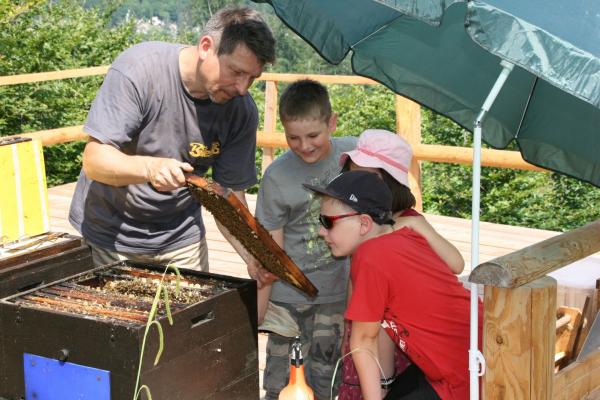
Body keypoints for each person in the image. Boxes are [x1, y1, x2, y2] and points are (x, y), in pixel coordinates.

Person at [68, 7, 275, 270]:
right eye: (236, 72)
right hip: (109, 236)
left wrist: (252, 256)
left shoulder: (240, 109)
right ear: (206, 47)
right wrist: (150, 168)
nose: (242, 88)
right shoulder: (139, 70)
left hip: (182, 240)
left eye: (253, 78)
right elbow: (94, 160)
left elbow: (230, 195)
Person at [305, 170, 482, 400]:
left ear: (364, 223)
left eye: (327, 222)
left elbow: (363, 340)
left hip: (464, 374)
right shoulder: (404, 238)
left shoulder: (371, 255)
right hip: (470, 355)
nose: (321, 231)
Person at [338, 129, 465, 400]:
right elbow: (360, 301)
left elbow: (456, 263)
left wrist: (416, 226)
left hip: (411, 337)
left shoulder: (407, 221)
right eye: (353, 175)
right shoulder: (358, 221)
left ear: (391, 184)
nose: (358, 185)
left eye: (368, 178)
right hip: (372, 327)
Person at [251, 79, 358, 399]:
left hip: (337, 293)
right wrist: (260, 306)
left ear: (332, 122)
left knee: (329, 378)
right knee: (281, 382)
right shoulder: (277, 176)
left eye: (313, 135)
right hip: (288, 299)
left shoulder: (355, 155)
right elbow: (272, 251)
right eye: (293, 137)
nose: (304, 145)